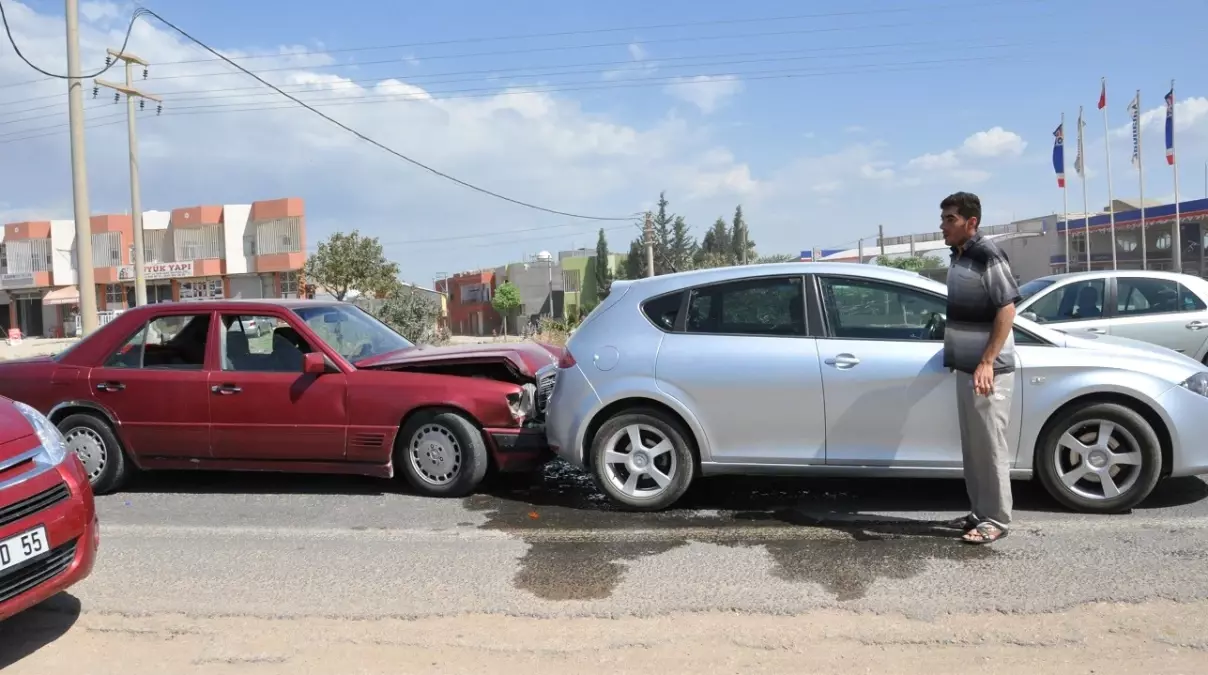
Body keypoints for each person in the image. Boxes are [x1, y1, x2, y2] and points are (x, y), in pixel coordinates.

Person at [938, 191, 1020, 545]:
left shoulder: (988, 254)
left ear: (971, 222)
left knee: (989, 445)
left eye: (950, 219)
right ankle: (979, 511)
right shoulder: (959, 256)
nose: (943, 226)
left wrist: (986, 361)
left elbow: (1007, 308)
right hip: (967, 369)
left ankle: (997, 519)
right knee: (973, 446)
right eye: (943, 219)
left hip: (990, 371)